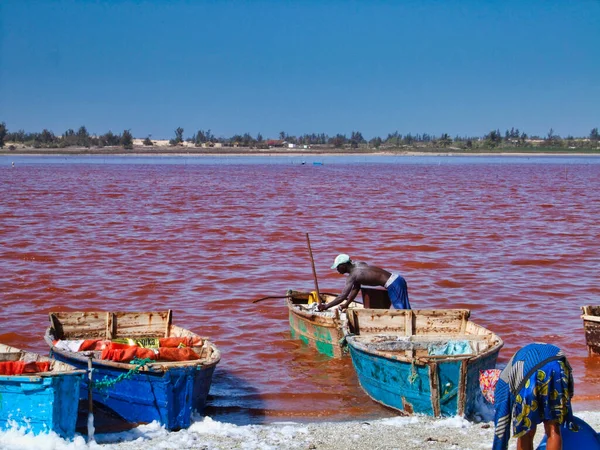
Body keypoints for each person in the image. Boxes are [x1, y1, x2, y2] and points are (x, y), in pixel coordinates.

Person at [492, 342, 576, 450]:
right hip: (558, 363)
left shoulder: (502, 386)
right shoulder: (511, 368)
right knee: (553, 428)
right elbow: (568, 384)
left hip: (531, 372)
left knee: (525, 430)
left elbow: (501, 425)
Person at [318, 254, 411, 311]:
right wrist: (346, 304)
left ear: (344, 265)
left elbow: (342, 296)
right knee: (406, 309)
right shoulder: (359, 264)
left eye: (338, 267)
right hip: (397, 279)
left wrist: (326, 306)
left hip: (393, 284)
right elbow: (356, 288)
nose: (337, 270)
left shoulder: (352, 276)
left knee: (402, 311)